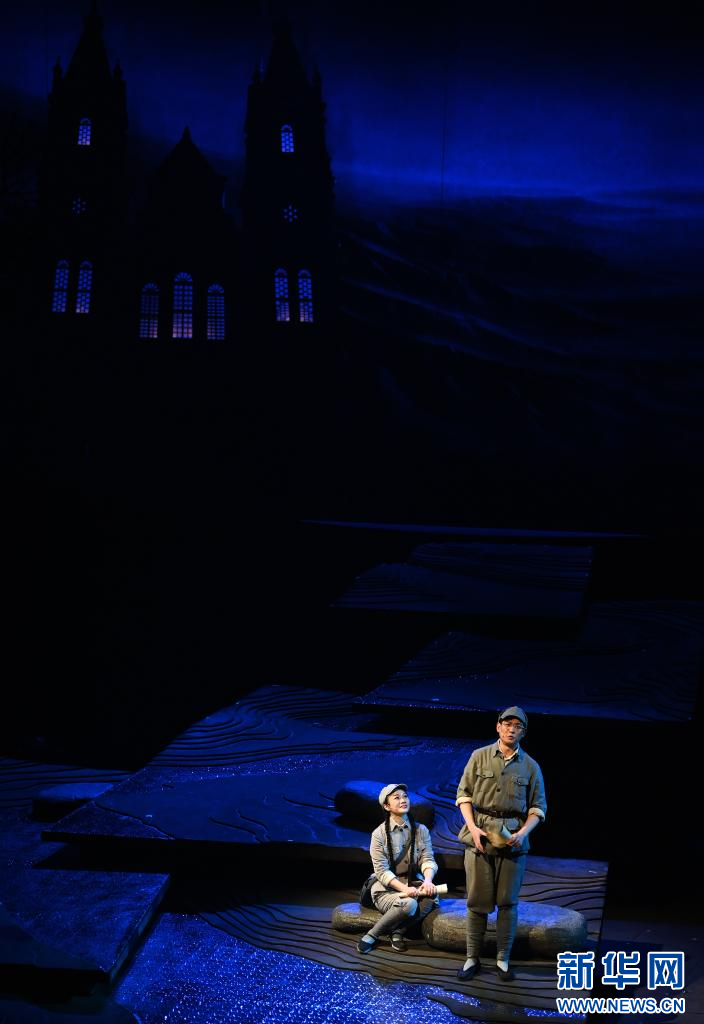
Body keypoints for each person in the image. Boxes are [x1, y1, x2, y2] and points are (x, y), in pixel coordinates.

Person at [455, 706, 547, 982]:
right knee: (477, 901)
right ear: (498, 726)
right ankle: (472, 958)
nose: (511, 729)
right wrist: (473, 828)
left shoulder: (530, 766)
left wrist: (524, 832)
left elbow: (538, 807)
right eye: (507, 724)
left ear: (523, 732)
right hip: (480, 836)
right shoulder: (479, 756)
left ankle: (502, 959)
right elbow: (464, 795)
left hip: (512, 839)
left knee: (507, 902)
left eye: (517, 726)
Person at [356, 783, 439, 953]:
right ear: (387, 806)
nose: (403, 800)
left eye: (405, 796)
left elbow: (427, 858)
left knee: (432, 898)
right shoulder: (379, 834)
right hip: (386, 889)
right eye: (397, 798)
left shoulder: (421, 830)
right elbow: (381, 871)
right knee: (409, 904)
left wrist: (428, 880)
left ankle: (398, 931)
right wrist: (404, 889)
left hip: (412, 883)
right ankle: (372, 934)